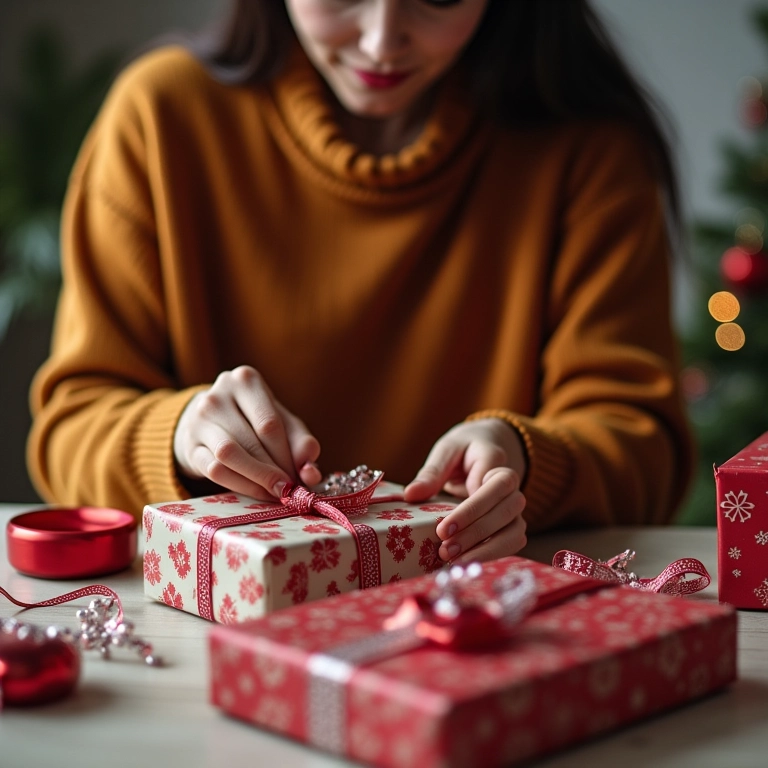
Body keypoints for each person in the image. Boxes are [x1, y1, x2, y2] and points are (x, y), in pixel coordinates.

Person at [27, 0, 694, 566]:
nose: (381, 40)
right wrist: (177, 436)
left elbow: (646, 451)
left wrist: (527, 458)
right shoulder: (160, 117)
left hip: (491, 621)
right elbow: (69, 433)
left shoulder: (590, 152)